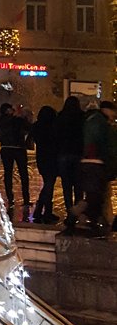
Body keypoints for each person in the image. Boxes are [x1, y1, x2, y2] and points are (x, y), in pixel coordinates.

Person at [65, 100, 117, 236]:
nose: (114, 115)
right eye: (113, 112)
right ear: (107, 110)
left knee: (94, 195)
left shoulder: (93, 120)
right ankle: (79, 216)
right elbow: (104, 145)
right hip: (95, 163)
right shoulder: (99, 122)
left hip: (91, 162)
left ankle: (86, 218)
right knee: (94, 196)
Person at [0, 101, 32, 220]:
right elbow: (28, 127)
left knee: (8, 173)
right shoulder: (14, 119)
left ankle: (11, 198)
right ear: (7, 110)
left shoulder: (2, 121)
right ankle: (25, 199)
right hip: (18, 148)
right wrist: (21, 117)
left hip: (6, 148)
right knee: (23, 174)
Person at [55, 95, 85, 217]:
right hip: (78, 154)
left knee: (66, 185)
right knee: (78, 184)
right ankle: (77, 210)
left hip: (63, 154)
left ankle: (69, 210)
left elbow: (56, 135)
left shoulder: (60, 117)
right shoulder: (82, 117)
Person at [30, 104, 59, 224]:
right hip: (52, 158)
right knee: (49, 184)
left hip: (41, 158)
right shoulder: (53, 127)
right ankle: (43, 211)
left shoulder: (36, 126)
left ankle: (43, 210)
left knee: (48, 184)